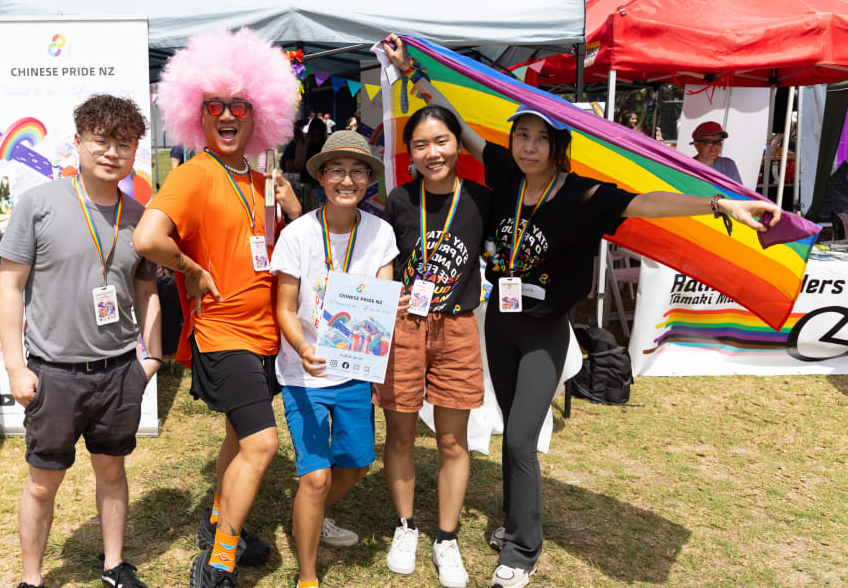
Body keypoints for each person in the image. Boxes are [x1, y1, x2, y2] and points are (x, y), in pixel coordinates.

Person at [383, 33, 781, 588]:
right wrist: (412, 76)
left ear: (557, 145)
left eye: (538, 139)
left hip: (546, 332)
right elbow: (460, 136)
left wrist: (718, 203)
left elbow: (648, 204)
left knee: (521, 437)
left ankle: (521, 551)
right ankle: (515, 521)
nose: (526, 147)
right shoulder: (503, 177)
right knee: (506, 435)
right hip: (499, 328)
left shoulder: (585, 196)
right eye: (520, 136)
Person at [132, 28, 302, 588]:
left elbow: (290, 254)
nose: (227, 116)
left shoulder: (261, 181)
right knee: (262, 442)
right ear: (196, 115)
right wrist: (192, 269)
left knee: (236, 437)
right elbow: (148, 238)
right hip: (222, 332)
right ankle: (218, 564)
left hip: (265, 335)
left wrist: (293, 207)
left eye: (240, 106)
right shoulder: (194, 174)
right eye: (214, 107)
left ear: (261, 117)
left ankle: (216, 524)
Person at [0, 94, 162, 588]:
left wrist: (150, 358)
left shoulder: (141, 217)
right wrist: (15, 367)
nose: (112, 153)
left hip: (117, 373)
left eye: (124, 144)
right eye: (101, 141)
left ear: (136, 152)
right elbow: (10, 286)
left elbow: (147, 290)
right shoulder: (39, 204)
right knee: (43, 484)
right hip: (54, 375)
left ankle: (114, 565)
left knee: (112, 473)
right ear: (80, 142)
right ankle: (33, 578)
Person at [379, 47, 494, 588]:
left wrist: (425, 87)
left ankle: (446, 540)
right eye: (421, 144)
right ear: (409, 155)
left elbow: (488, 150)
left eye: (442, 141)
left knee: (453, 442)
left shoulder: (483, 199)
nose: (433, 152)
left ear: (457, 145)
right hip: (406, 329)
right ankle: (406, 526)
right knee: (399, 434)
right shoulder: (398, 201)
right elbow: (374, 260)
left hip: (458, 327)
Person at [271, 131, 398, 588]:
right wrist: (303, 348)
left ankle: (310, 515)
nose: (347, 179)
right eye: (337, 170)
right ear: (321, 176)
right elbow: (284, 307)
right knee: (316, 476)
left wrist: (391, 311)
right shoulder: (297, 234)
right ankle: (308, 576)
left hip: (355, 373)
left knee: (359, 462)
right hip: (304, 373)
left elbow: (381, 300)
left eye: (358, 170)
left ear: (369, 180)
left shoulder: (380, 232)